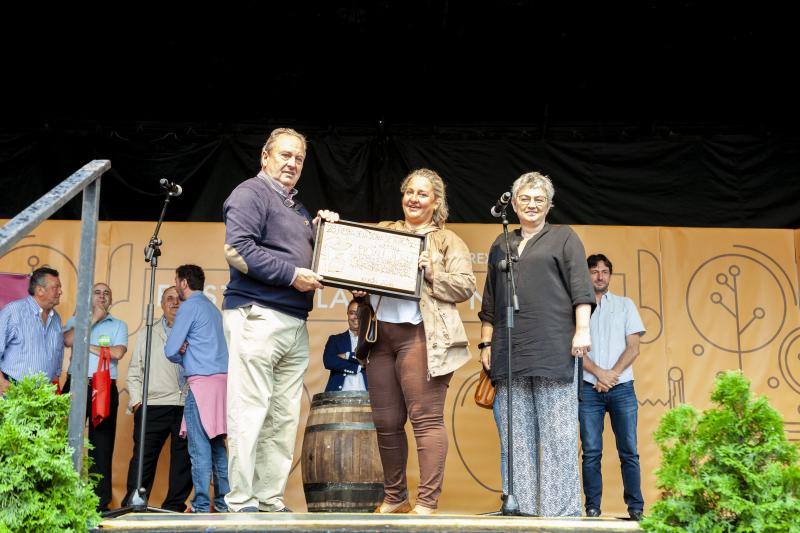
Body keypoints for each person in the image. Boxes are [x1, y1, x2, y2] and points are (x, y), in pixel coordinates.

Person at [221, 127, 337, 513]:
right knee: (249, 409)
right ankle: (240, 501)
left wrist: (324, 234)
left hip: (292, 321)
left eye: (299, 158)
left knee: (283, 417)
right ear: (265, 157)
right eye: (285, 155)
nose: (292, 163)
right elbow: (237, 250)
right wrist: (291, 275)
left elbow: (312, 259)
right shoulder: (250, 193)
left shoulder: (297, 209)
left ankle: (269, 498)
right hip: (257, 314)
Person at [478, 171, 594, 517]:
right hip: (509, 353)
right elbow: (489, 302)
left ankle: (563, 512)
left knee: (558, 435)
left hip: (554, 348)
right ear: (513, 204)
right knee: (517, 440)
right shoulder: (501, 243)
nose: (531, 204)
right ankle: (523, 509)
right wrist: (486, 345)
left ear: (550, 206)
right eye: (525, 198)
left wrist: (582, 330)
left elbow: (581, 289)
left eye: (539, 199)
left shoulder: (564, 237)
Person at [360, 168, 476, 515]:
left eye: (422, 193)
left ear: (435, 201)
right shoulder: (385, 232)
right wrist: (356, 282)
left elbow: (466, 285)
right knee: (386, 421)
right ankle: (395, 497)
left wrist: (432, 273)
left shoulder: (447, 240)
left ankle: (427, 501)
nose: (413, 198)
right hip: (380, 336)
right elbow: (352, 260)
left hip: (423, 335)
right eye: (409, 191)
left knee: (425, 419)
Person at [580, 254, 646, 521]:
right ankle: (592, 508)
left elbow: (634, 347)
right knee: (591, 452)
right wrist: (599, 374)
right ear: (586, 274)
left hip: (622, 388)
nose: (599, 276)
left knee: (629, 450)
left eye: (604, 271)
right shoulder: (578, 308)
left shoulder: (625, 305)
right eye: (594, 271)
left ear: (610, 275)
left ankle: (636, 508)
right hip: (588, 387)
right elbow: (575, 348)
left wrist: (611, 376)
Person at [165, 265, 229, 513]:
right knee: (217, 448)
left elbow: (171, 349)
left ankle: (202, 505)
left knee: (199, 449)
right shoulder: (213, 309)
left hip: (201, 383)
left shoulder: (189, 307)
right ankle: (224, 504)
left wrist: (182, 353)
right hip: (221, 383)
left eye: (175, 281)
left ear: (183, 282)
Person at [123, 285, 192, 512]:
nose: (174, 303)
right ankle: (134, 505)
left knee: (184, 462)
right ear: (162, 304)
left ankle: (174, 508)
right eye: (169, 298)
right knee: (143, 459)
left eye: (179, 299)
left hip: (186, 405)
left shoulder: (195, 330)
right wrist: (137, 403)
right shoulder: (148, 332)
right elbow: (134, 371)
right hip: (153, 404)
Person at [63, 282, 129, 512]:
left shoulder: (118, 325)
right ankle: (63, 495)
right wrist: (91, 320)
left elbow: (118, 353)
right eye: (97, 292)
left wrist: (87, 344)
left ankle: (98, 502)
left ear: (111, 299)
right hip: (76, 384)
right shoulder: (77, 320)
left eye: (106, 293)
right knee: (66, 441)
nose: (102, 296)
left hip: (103, 386)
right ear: (89, 298)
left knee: (102, 445)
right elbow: (68, 340)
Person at [0, 267, 64, 394]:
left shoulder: (56, 318)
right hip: (14, 388)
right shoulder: (13, 312)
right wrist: (2, 383)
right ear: (40, 290)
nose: (60, 291)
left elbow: (57, 356)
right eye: (55, 287)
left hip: (44, 393)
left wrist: (55, 385)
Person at [322, 300, 367, 392]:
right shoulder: (335, 339)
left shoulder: (371, 341)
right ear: (347, 314)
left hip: (367, 396)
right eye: (352, 313)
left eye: (360, 313)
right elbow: (329, 361)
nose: (356, 317)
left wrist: (347, 355)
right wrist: (359, 366)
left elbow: (370, 361)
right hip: (339, 396)